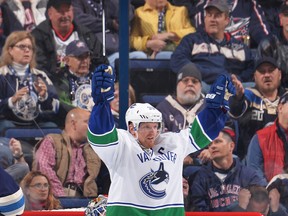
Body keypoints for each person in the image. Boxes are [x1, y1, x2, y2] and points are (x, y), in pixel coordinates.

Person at [87, 63, 234, 215]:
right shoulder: (122, 144)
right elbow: (101, 133)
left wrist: (216, 109)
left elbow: (201, 132)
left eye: (155, 126)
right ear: (132, 128)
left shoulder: (172, 142)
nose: (153, 132)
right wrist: (101, 103)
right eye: (145, 126)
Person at [170, 0, 254, 93]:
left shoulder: (240, 46)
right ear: (205, 19)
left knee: (254, 87)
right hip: (203, 85)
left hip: (232, 88)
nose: (212, 19)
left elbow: (251, 68)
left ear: (227, 20)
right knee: (196, 86)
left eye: (217, 15)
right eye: (209, 15)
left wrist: (237, 79)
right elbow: (177, 61)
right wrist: (204, 74)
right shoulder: (192, 40)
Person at [190, 128, 266, 212]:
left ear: (231, 146)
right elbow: (199, 210)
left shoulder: (249, 176)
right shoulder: (200, 178)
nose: (212, 146)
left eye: (218, 141)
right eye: (210, 144)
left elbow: (261, 207)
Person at [31, 0, 108, 83]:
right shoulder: (38, 36)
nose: (65, 15)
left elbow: (101, 62)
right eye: (60, 11)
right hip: (54, 85)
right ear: (50, 13)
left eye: (68, 10)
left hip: (86, 84)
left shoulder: (86, 34)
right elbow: (39, 67)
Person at [33, 107, 101, 197]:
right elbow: (45, 172)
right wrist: (62, 199)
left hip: (84, 199)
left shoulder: (93, 149)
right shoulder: (52, 141)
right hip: (54, 198)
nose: (92, 126)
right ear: (73, 124)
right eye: (87, 122)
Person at [0, 30, 60, 133]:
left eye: (30, 47)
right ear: (10, 50)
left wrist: (44, 97)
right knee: (8, 128)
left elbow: (56, 108)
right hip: (9, 123)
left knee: (52, 128)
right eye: (22, 46)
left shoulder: (40, 75)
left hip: (37, 123)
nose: (27, 50)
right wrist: (11, 101)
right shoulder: (2, 74)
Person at [229, 56, 286, 160]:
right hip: (252, 159)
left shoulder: (286, 98)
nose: (267, 75)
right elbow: (235, 111)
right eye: (262, 72)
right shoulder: (247, 95)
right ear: (254, 77)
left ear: (280, 75)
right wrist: (238, 97)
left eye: (271, 70)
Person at [130, 0, 195, 59]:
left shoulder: (180, 11)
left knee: (165, 55)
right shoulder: (139, 13)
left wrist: (169, 35)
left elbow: (192, 32)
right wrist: (148, 43)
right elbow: (132, 39)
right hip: (150, 54)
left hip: (177, 51)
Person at [246, 92, 288, 184]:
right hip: (270, 193)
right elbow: (254, 172)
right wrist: (271, 189)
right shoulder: (261, 137)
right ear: (280, 108)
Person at [193, 0, 270, 48]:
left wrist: (266, 43)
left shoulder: (249, 4)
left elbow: (260, 31)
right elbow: (201, 38)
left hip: (243, 59)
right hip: (214, 60)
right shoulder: (202, 7)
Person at [54, 39, 94, 127]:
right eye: (79, 57)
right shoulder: (60, 80)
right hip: (72, 123)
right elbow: (62, 104)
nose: (84, 61)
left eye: (86, 56)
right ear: (67, 60)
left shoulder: (97, 78)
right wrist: (83, 114)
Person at [257, 3, 288, 88]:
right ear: (281, 19)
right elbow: (263, 79)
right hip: (275, 95)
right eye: (287, 15)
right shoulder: (268, 44)